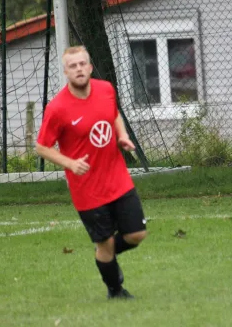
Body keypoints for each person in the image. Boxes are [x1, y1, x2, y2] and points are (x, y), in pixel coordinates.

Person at [35, 45, 147, 300]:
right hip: (87, 189)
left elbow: (114, 114)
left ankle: (104, 256)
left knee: (137, 234)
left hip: (118, 178)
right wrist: (70, 163)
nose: (79, 69)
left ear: (90, 66)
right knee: (105, 243)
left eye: (82, 64)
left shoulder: (106, 89)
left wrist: (123, 136)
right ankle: (115, 290)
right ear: (66, 72)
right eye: (73, 66)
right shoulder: (57, 108)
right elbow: (41, 147)